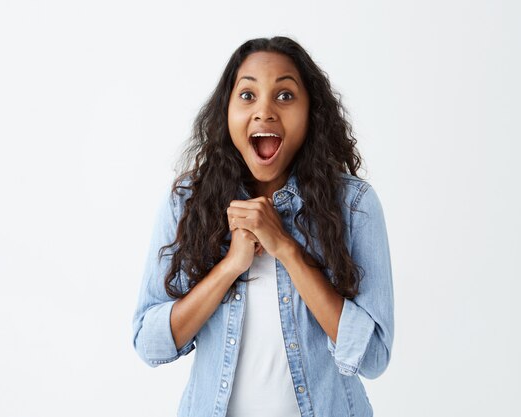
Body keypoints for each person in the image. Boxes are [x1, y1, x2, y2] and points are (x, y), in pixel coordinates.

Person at [132, 36, 394, 417]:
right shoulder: (188, 202)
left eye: (285, 96)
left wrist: (286, 248)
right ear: (227, 111)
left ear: (311, 113)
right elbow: (149, 342)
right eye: (248, 95)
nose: (265, 111)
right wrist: (230, 266)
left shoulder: (354, 206)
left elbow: (372, 357)